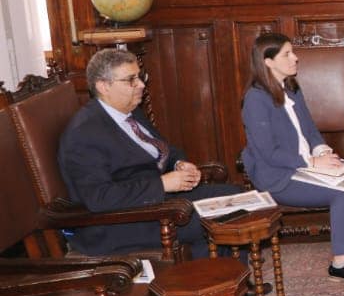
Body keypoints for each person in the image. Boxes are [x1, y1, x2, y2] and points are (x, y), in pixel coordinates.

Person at [58, 48, 243, 257]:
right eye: (131, 80)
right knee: (227, 216)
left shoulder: (130, 111)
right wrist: (162, 184)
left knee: (240, 199)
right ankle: (218, 272)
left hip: (157, 203)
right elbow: (100, 198)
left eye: (140, 76)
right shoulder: (84, 134)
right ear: (103, 86)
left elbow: (161, 149)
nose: (141, 85)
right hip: (123, 223)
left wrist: (178, 164)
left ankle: (231, 273)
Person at [241, 33, 344, 283]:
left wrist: (322, 151)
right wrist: (311, 162)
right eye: (287, 54)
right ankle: (340, 263)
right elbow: (268, 152)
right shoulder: (255, 99)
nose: (295, 58)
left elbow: (309, 129)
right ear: (267, 61)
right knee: (343, 191)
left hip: (304, 166)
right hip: (278, 176)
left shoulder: (291, 88)